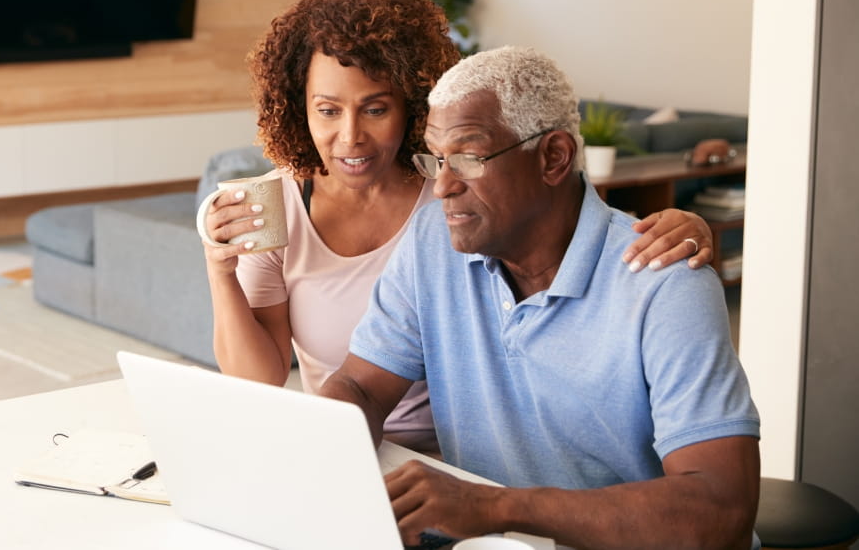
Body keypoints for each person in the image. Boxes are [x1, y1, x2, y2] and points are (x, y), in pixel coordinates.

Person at [201, 0, 717, 454]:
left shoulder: (457, 190)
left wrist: (682, 228)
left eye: (376, 108)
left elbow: (571, 225)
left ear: (414, 108)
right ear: (301, 108)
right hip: (357, 439)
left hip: (474, 453)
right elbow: (263, 377)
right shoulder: (282, 204)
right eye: (328, 110)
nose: (351, 136)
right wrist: (220, 272)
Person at [319, 46, 760, 549]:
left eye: (466, 158)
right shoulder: (430, 244)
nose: (442, 186)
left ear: (553, 157)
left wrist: (495, 507)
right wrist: (316, 450)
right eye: (435, 159)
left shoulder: (663, 279)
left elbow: (722, 512)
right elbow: (361, 386)